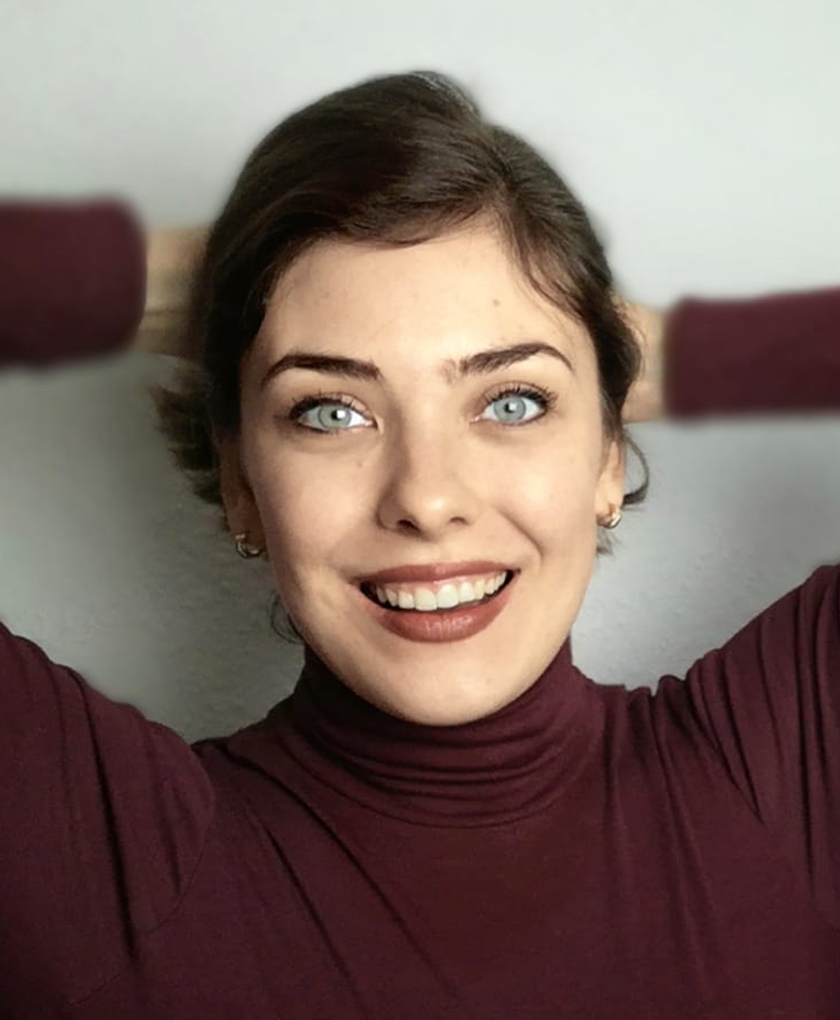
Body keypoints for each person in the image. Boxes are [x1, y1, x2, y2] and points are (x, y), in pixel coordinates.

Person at [0, 71, 838, 1020]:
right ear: (241, 484)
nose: (427, 499)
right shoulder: (90, 866)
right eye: (330, 410)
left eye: (513, 402)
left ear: (608, 455)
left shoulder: (787, 775)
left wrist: (624, 342)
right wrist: (225, 275)